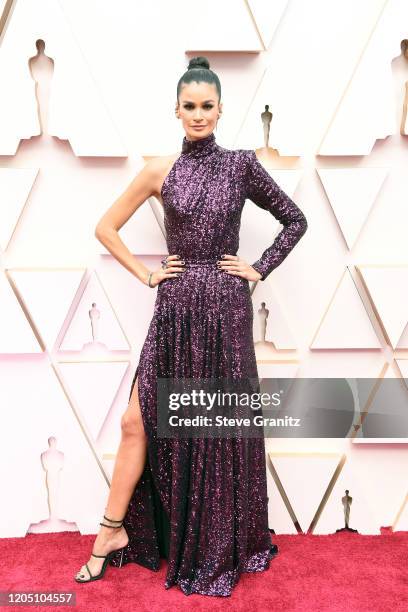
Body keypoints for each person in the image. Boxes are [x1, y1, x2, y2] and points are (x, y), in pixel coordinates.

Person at [74, 55, 308, 597]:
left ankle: (216, 541)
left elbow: (295, 220)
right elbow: (105, 227)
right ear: (176, 110)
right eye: (189, 106)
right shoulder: (159, 169)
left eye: (207, 105)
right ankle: (111, 533)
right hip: (175, 307)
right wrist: (147, 274)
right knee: (139, 419)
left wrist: (258, 268)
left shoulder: (242, 165)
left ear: (220, 110)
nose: (198, 114)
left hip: (225, 308)